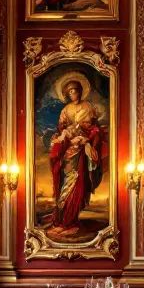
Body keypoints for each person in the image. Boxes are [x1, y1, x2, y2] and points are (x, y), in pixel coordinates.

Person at [47, 80, 107, 237]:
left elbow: (95, 128)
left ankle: (70, 222)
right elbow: (61, 128)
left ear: (80, 91)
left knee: (77, 184)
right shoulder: (66, 109)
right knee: (63, 187)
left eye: (75, 91)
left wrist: (87, 140)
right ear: (67, 94)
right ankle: (61, 221)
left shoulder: (88, 107)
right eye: (70, 92)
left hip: (80, 151)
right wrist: (65, 134)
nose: (73, 94)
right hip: (68, 150)